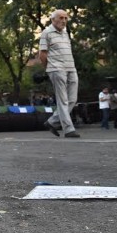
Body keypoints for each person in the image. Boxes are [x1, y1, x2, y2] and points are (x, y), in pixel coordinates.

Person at [39, 9, 81, 138]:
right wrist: (49, 68)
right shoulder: (46, 33)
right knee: (62, 100)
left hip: (71, 68)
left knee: (72, 99)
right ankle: (68, 129)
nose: (64, 21)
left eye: (65, 18)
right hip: (57, 69)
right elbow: (42, 54)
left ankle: (52, 121)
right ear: (53, 19)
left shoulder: (65, 33)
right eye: (61, 18)